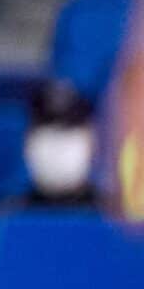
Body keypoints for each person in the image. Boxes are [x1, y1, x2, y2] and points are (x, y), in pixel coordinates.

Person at [19, 79, 99, 209]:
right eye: (47, 130)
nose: (58, 147)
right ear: (27, 141)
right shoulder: (6, 222)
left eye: (69, 131)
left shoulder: (118, 221)